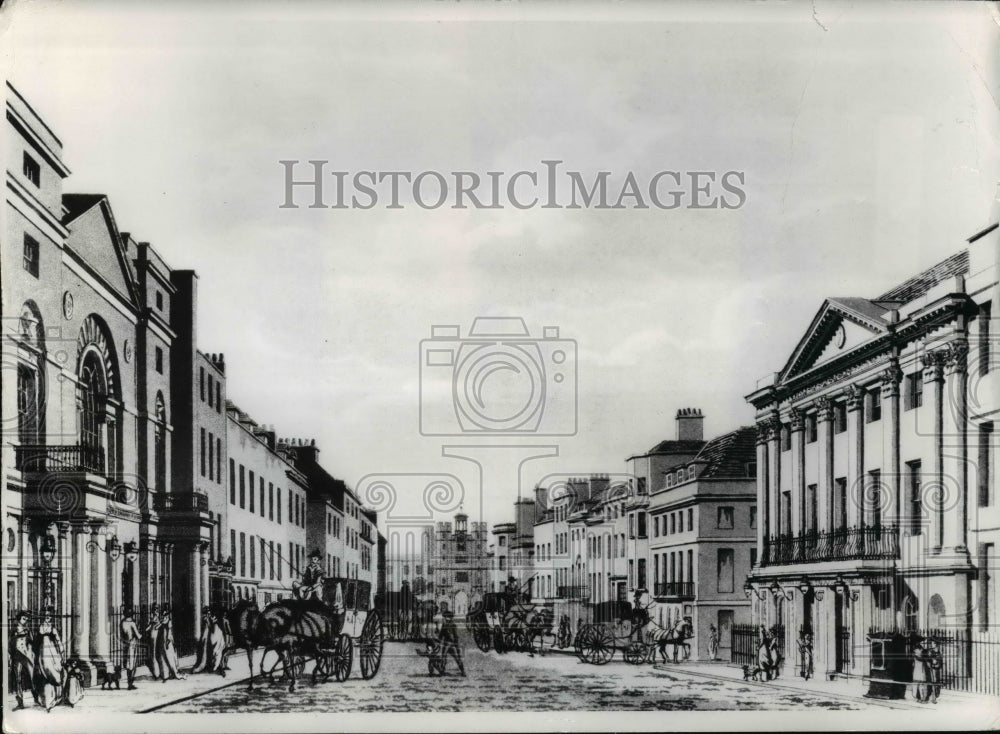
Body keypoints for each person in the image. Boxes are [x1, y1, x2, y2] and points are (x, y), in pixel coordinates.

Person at [34, 608, 65, 711]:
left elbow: (58, 640)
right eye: (46, 615)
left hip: (51, 652)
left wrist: (61, 650)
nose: (48, 617)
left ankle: (57, 696)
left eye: (49, 615)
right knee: (44, 674)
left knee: (53, 672)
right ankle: (45, 699)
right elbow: (36, 641)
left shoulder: (52, 628)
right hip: (42, 652)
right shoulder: (40, 627)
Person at [10, 611, 38, 710]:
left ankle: (36, 697)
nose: (25, 621)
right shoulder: (14, 628)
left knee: (32, 677)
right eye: (23, 619)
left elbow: (32, 641)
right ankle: (20, 702)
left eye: (26, 619)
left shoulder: (28, 629)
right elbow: (11, 642)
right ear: (19, 618)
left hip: (27, 656)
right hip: (17, 656)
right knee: (18, 679)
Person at [155, 606, 185, 681]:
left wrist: (168, 641)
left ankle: (174, 672)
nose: (164, 616)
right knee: (163, 656)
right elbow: (156, 627)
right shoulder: (163, 621)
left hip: (167, 639)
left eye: (166, 614)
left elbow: (169, 631)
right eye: (164, 614)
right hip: (162, 639)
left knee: (170, 656)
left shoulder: (169, 621)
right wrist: (161, 622)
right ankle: (166, 674)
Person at [436, 602, 465, 676]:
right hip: (450, 644)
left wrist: (457, 646)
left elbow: (454, 636)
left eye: (445, 617)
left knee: (445, 657)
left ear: (448, 618)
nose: (444, 619)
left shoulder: (451, 625)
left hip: (449, 644)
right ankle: (462, 671)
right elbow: (441, 635)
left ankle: (462, 671)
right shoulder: (448, 625)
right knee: (452, 657)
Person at [119, 607, 141, 689]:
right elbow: (138, 635)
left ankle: (129, 683)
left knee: (127, 663)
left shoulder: (122, 623)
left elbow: (121, 635)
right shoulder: (132, 623)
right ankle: (130, 683)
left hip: (125, 644)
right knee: (132, 664)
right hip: (132, 644)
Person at [145, 604, 162, 680]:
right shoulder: (152, 617)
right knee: (154, 652)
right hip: (153, 635)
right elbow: (149, 627)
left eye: (157, 609)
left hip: (158, 635)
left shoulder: (159, 617)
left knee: (159, 652)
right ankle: (156, 672)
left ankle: (160, 672)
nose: (156, 610)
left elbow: (159, 625)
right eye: (154, 609)